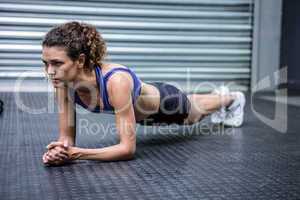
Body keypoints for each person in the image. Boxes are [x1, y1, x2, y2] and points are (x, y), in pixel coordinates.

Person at [42, 21, 245, 166]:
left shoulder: (116, 81)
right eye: (46, 63)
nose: (50, 71)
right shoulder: (63, 82)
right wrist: (59, 151)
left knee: (194, 115)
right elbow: (66, 138)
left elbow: (127, 149)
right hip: (141, 114)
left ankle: (232, 99)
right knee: (195, 103)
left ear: (80, 60)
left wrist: (76, 154)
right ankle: (221, 96)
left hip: (167, 103)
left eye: (57, 63)